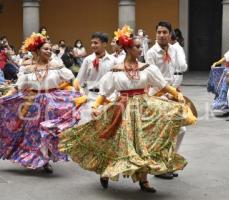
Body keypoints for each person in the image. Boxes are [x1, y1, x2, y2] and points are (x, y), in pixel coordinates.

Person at [57, 26, 196, 193]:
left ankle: (144, 181)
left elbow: (163, 85)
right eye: (137, 47)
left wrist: (177, 94)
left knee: (142, 143)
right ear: (128, 48)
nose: (140, 49)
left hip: (144, 107)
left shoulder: (146, 68)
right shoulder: (116, 70)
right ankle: (106, 172)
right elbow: (105, 92)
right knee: (117, 143)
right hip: (122, 108)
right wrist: (95, 106)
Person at [0, 33, 86, 173]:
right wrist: (3, 98)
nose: (49, 51)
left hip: (54, 102)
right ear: (37, 51)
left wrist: (79, 89)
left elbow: (71, 78)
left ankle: (46, 159)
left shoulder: (57, 65)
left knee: (51, 131)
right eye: (46, 49)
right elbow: (17, 87)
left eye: (50, 49)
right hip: (34, 104)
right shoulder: (27, 68)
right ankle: (38, 158)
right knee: (33, 133)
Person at [146, 21, 186, 179]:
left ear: (170, 35)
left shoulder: (174, 50)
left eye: (164, 32)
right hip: (157, 95)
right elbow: (152, 77)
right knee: (161, 132)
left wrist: (174, 89)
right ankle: (160, 167)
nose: (161, 35)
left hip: (171, 93)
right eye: (159, 32)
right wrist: (167, 92)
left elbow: (175, 71)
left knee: (180, 129)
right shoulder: (151, 53)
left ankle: (168, 163)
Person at [75, 32, 116, 123]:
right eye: (92, 43)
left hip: (108, 100)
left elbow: (115, 82)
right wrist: (83, 95)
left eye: (96, 43)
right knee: (87, 128)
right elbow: (78, 81)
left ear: (104, 44)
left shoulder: (113, 61)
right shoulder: (88, 60)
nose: (93, 45)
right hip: (90, 99)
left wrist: (112, 99)